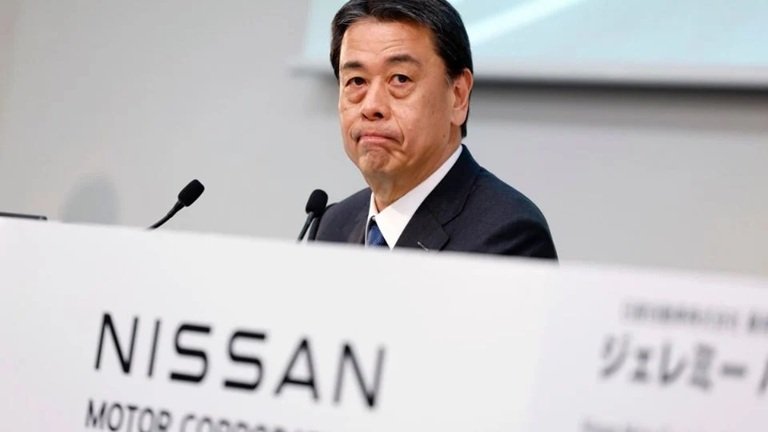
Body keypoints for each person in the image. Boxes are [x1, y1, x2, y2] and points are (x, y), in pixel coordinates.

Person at [313, 0, 557, 259]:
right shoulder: (331, 226)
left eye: (400, 79)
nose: (372, 106)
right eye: (356, 81)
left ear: (458, 95)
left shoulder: (507, 234)